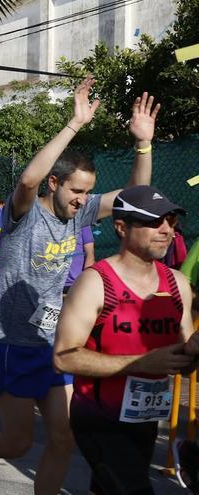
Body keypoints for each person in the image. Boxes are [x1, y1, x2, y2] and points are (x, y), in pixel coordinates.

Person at [0, 80, 160, 495]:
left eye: (88, 192)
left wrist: (143, 146)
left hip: (53, 345)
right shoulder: (24, 213)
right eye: (76, 190)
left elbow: (135, 197)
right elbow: (28, 179)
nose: (84, 200)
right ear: (55, 183)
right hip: (12, 345)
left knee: (64, 440)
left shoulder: (78, 217)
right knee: (18, 441)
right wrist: (74, 123)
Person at [53, 185, 194, 494]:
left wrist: (191, 350)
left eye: (170, 220)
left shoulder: (177, 284)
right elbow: (64, 356)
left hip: (146, 416)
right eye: (154, 222)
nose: (166, 229)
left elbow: (182, 358)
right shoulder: (95, 283)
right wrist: (141, 362)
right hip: (99, 417)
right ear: (121, 227)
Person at [63, 225, 95, 293]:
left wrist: (86, 281)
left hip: (76, 283)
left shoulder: (83, 223)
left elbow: (90, 253)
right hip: (53, 283)